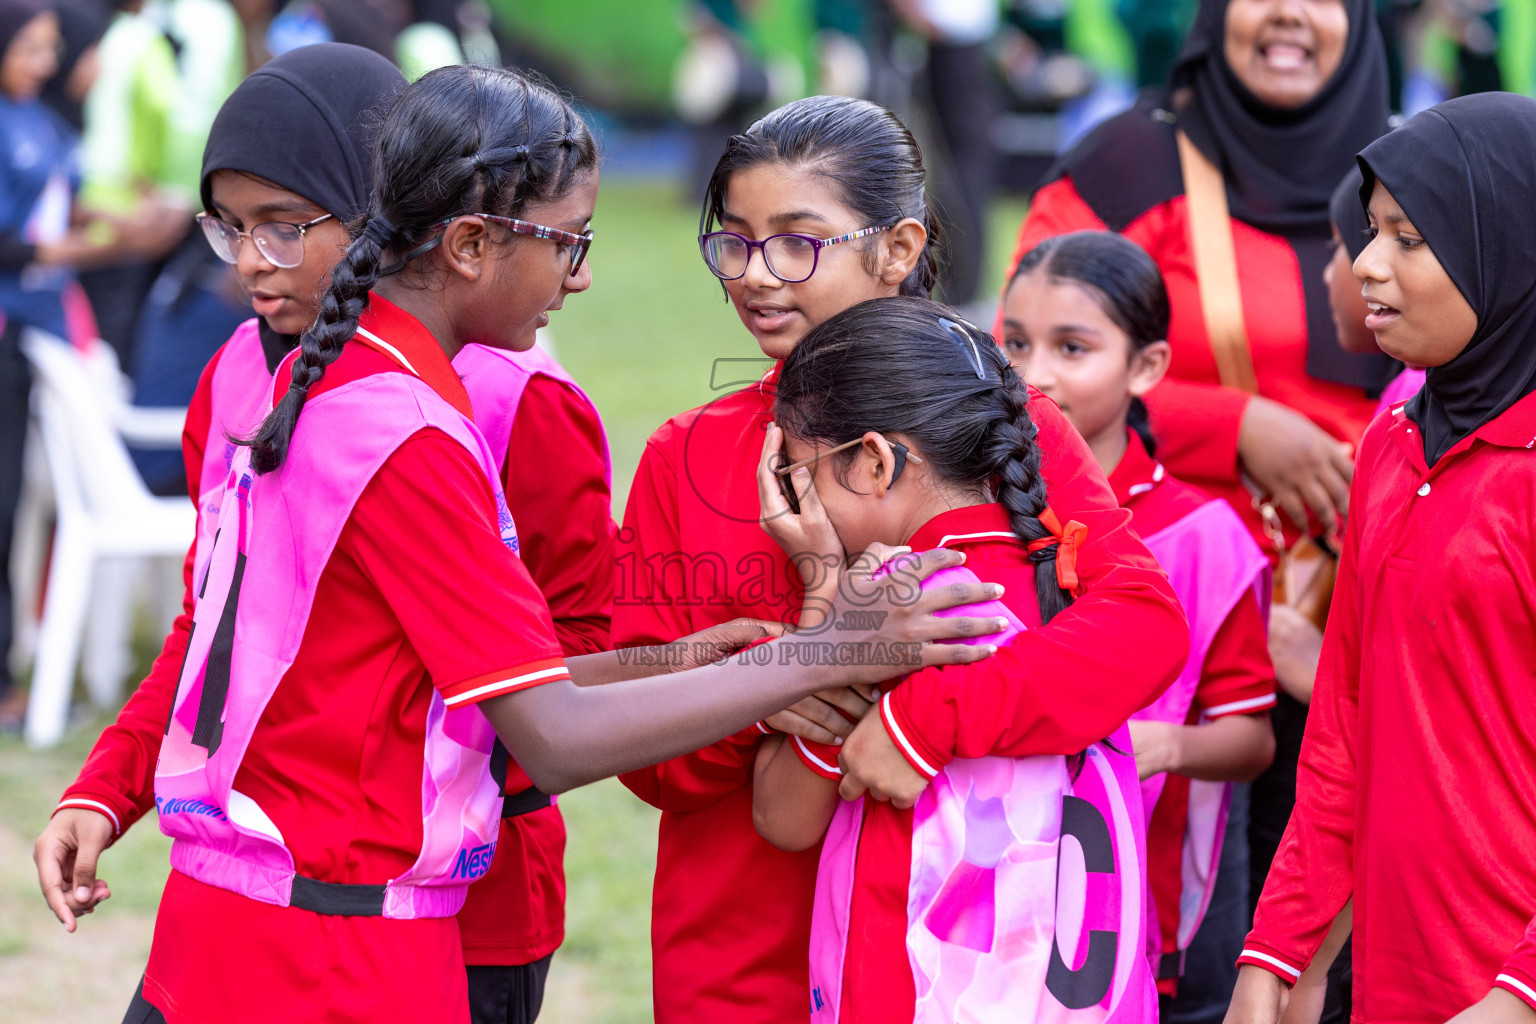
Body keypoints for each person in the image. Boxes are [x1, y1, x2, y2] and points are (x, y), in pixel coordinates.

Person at [38, 63, 1001, 1024]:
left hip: (245, 929)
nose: (578, 276)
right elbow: (553, 738)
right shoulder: (403, 433)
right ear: (467, 245)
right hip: (339, 958)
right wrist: (837, 646)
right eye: (567, 242)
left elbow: (465, 686)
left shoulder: (352, 388)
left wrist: (670, 661)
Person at [32, 44, 612, 1024]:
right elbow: (214, 625)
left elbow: (586, 649)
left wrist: (421, 744)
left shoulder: (515, 397)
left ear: (401, 220)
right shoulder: (240, 376)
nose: (254, 259)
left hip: (449, 909)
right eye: (232, 228)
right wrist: (106, 787)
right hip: (267, 905)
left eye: (287, 226)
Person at [614, 93, 1189, 1024]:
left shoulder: (1006, 426)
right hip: (742, 960)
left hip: (970, 966)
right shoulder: (689, 454)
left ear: (899, 247)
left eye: (798, 241)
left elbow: (1140, 627)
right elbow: (644, 749)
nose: (758, 276)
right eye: (735, 241)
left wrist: (927, 715)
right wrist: (786, 679)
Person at [752, 295, 1159, 1022]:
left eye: (801, 477)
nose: (799, 506)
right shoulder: (1073, 589)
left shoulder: (896, 607)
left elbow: (785, 817)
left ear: (874, 461)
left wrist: (824, 599)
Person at [1226, 92, 1536, 1024]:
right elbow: (1346, 726)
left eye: (1410, 238)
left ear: (1507, 249)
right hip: (1403, 984)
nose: (1366, 264)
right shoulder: (1394, 444)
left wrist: (1516, 997)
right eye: (1373, 232)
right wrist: (1278, 949)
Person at [1002, 231, 1276, 1018]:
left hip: (1145, 904)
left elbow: (1252, 739)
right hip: (995, 896)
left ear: (1147, 367)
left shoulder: (1204, 535)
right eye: (1014, 343)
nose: (1035, 374)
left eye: (1073, 347)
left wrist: (1164, 747)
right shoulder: (972, 509)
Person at [1002, 0, 1392, 553]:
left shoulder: (1406, 170)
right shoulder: (1129, 165)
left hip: (1378, 575)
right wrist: (1234, 428)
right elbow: (1017, 371)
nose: (1289, 12)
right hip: (1177, 570)